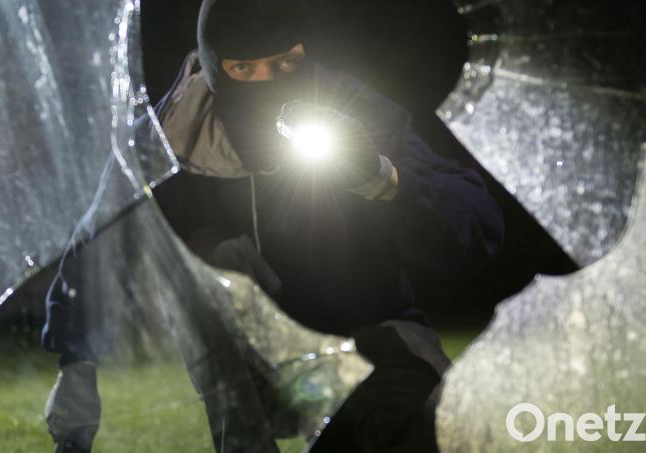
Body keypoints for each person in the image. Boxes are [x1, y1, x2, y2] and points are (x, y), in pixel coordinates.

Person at [42, 0, 504, 451]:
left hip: (367, 342)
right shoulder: (166, 141)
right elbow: (100, 240)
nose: (265, 82)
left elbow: (477, 224)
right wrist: (76, 361)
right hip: (242, 366)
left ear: (305, 53)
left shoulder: (354, 111)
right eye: (244, 69)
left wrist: (385, 179)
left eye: (284, 64)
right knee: (199, 267)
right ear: (214, 64)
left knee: (431, 429)